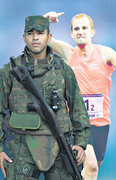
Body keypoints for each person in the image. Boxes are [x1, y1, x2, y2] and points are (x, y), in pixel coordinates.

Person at [43, 12, 116, 179]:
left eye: (84, 28)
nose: (80, 32)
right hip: (76, 123)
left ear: (92, 32)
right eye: (76, 29)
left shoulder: (106, 53)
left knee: (91, 171)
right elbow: (44, 37)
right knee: (90, 166)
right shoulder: (68, 52)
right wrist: (45, 20)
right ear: (72, 34)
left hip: (101, 123)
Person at [0, 15, 90, 179]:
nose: (35, 37)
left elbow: (78, 108)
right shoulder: (10, 71)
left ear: (49, 37)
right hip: (22, 147)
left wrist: (80, 143)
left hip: (59, 146)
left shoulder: (63, 70)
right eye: (30, 33)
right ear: (24, 37)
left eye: (40, 33)